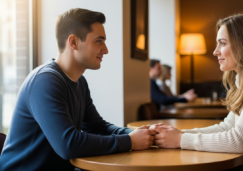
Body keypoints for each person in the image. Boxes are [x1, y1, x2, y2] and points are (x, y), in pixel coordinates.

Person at [0, 8, 156, 171]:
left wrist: (138, 134)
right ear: (73, 42)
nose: (106, 50)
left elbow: (97, 127)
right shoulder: (45, 81)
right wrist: (130, 141)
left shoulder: (80, 82)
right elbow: (68, 145)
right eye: (99, 41)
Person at [151, 14, 243, 171]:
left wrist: (181, 139)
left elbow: (239, 141)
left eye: (222, 43)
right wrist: (176, 134)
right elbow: (228, 127)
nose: (215, 52)